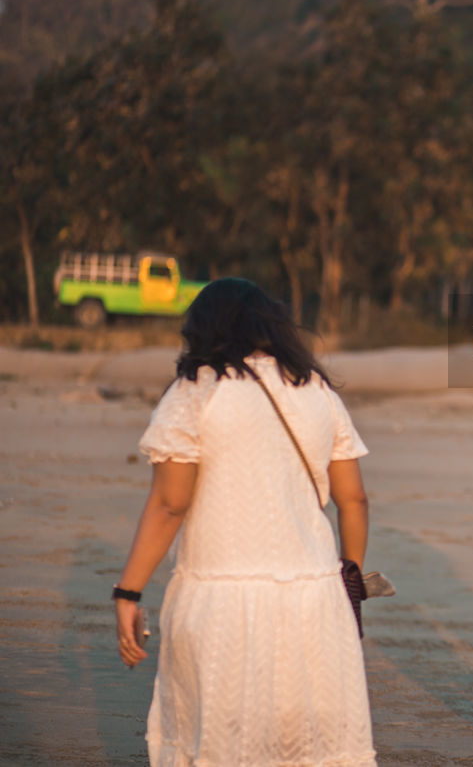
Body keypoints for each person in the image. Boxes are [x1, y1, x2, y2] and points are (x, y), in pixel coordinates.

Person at [113, 277, 377, 767]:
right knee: (308, 751)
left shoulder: (197, 389)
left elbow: (170, 505)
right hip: (315, 602)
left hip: (221, 603)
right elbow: (354, 499)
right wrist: (351, 576)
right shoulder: (315, 388)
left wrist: (128, 592)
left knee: (216, 746)